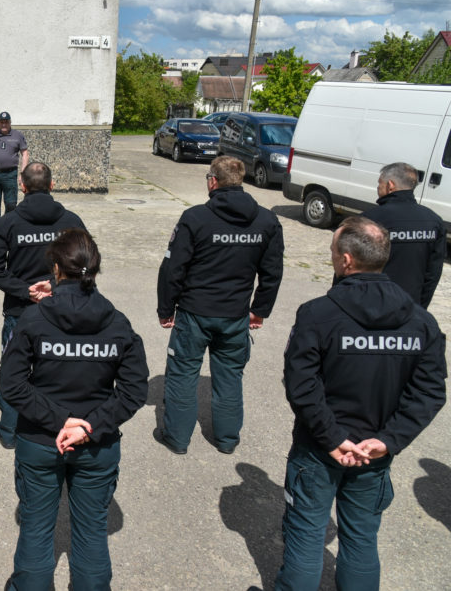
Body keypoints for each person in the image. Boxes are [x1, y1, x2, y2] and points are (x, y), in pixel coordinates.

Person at [275, 216, 446, 590]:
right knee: (361, 539)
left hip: (320, 450)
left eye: (333, 249)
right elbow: (430, 391)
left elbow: (301, 385)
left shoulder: (317, 314)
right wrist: (388, 439)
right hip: (374, 452)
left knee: (305, 536)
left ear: (347, 260)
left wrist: (333, 438)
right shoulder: (422, 323)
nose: (332, 256)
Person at [0, 228, 148, 590]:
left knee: (35, 528)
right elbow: (133, 390)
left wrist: (60, 421)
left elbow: (12, 385)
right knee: (92, 533)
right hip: (95, 444)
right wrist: (86, 426)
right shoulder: (118, 324)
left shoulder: (33, 321)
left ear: (55, 269)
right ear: (95, 270)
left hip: (40, 440)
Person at [155, 155, 283, 456]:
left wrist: (166, 309)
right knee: (229, 377)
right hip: (235, 314)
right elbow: (273, 271)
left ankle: (177, 437)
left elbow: (173, 268)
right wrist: (259, 310)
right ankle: (226, 439)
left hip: (194, 313)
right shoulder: (266, 221)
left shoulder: (195, 218)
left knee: (183, 374)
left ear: (213, 181)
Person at [0, 162, 86, 449]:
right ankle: (54, 427)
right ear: (52, 185)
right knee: (58, 369)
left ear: (22, 187)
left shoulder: (8, 222)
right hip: (63, 311)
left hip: (21, 311)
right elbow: (87, 266)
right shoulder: (72, 220)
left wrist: (24, 291)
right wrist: (57, 285)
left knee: (14, 371)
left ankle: (10, 431)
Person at [360, 162, 445, 308]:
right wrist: (419, 309)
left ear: (390, 185)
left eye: (379, 183)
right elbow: (433, 274)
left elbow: (350, 265)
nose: (378, 187)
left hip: (370, 304)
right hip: (409, 307)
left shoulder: (369, 219)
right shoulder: (434, 221)